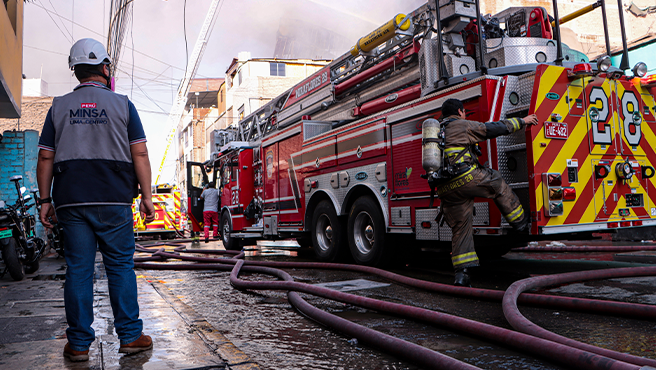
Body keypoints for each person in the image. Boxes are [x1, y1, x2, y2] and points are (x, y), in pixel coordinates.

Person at [36, 38, 156, 362]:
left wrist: (45, 200)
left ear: (76, 71)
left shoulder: (58, 107)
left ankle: (77, 345)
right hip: (114, 200)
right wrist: (147, 196)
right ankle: (131, 336)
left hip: (71, 202)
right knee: (119, 267)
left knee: (78, 269)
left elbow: (46, 157)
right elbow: (140, 152)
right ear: (105, 68)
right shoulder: (123, 105)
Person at [435, 98, 538, 287]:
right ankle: (521, 224)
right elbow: (492, 129)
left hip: (445, 188)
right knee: (496, 182)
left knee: (461, 228)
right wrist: (523, 121)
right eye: (464, 112)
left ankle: (462, 275)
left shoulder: (437, 132)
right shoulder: (461, 125)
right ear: (459, 111)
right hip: (465, 177)